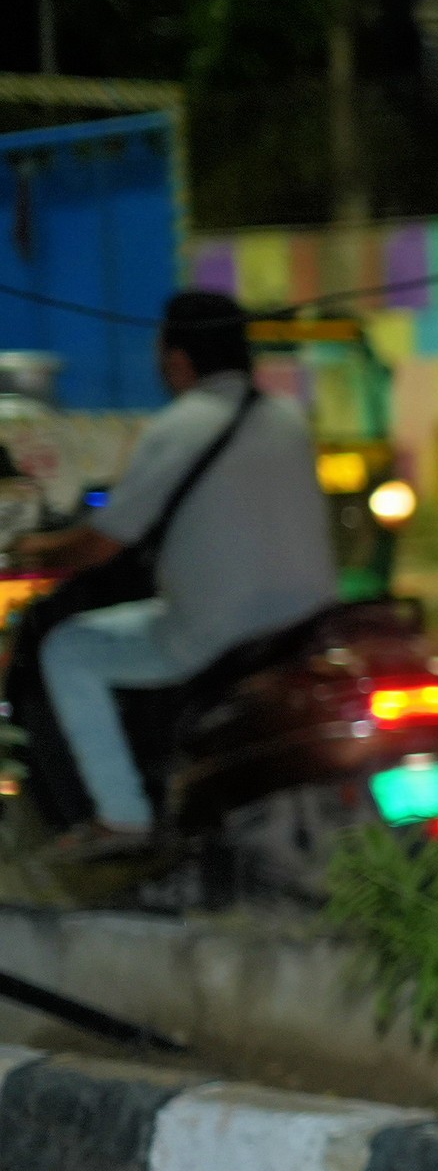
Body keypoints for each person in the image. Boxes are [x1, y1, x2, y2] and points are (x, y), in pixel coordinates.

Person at [10, 292, 337, 856]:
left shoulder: (178, 426)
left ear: (179, 359)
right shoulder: (288, 418)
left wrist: (27, 551)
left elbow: (101, 544)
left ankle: (122, 817)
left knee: (68, 648)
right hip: (307, 619)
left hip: (224, 630)